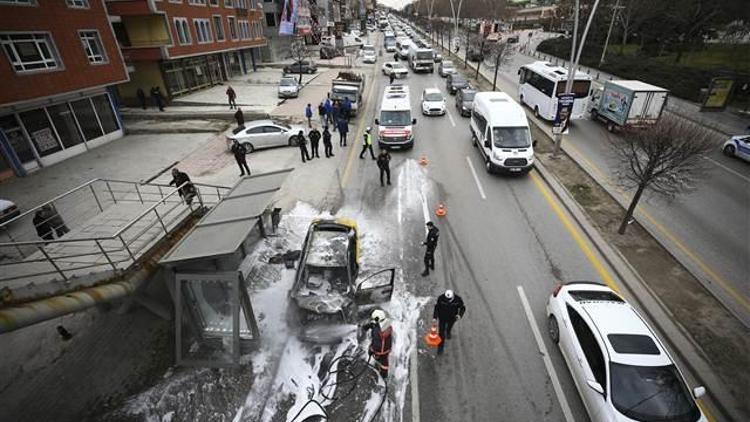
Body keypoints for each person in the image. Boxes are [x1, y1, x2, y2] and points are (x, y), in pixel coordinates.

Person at [362, 309, 393, 379]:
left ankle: (383, 375)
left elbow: (377, 343)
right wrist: (371, 325)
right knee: (385, 360)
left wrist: (371, 349)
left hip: (380, 350)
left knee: (382, 360)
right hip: (387, 348)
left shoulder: (377, 331)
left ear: (377, 319)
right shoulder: (387, 324)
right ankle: (384, 372)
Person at [432, 289, 466, 355]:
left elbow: (463, 308)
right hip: (442, 318)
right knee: (441, 333)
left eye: (449, 299)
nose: (447, 300)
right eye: (446, 299)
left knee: (449, 327)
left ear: (452, 297)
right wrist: (435, 317)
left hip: (452, 318)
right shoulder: (441, 298)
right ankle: (440, 347)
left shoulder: (458, 299)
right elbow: (437, 307)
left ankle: (448, 332)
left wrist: (459, 315)